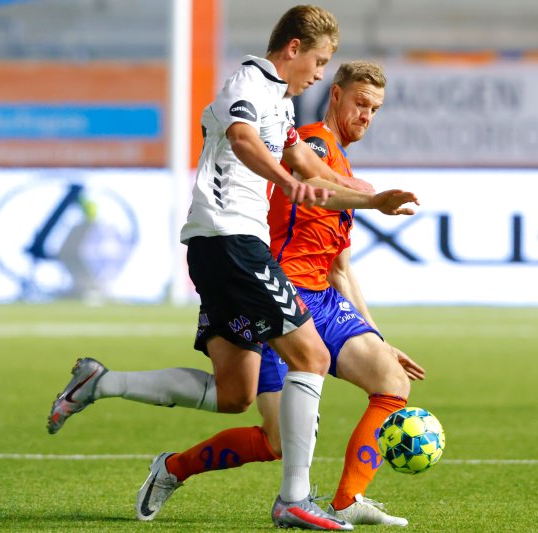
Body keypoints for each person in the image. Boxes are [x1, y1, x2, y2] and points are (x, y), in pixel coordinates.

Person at [46, 6, 418, 531]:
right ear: (292, 48)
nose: (318, 73)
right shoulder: (248, 80)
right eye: (319, 61)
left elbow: (309, 167)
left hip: (224, 248)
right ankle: (293, 499)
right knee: (308, 356)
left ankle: (100, 383)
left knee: (233, 392)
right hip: (232, 240)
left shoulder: (283, 107)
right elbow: (244, 141)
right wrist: (289, 184)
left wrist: (373, 198)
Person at [133, 60, 424, 527]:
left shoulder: (342, 162)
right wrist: (365, 197)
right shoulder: (311, 143)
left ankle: (348, 500)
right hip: (280, 292)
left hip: (324, 299)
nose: (367, 115)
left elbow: (340, 268)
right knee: (276, 441)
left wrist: (378, 337)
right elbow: (302, 177)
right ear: (336, 95)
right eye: (360, 103)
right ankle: (173, 468)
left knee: (392, 382)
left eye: (375, 109)